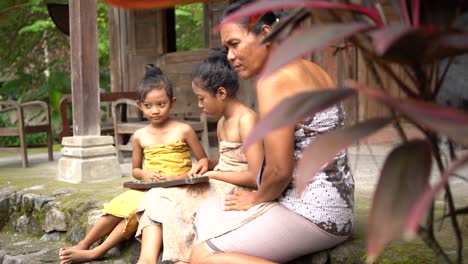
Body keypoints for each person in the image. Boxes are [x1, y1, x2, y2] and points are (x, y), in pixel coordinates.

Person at [190, 1, 354, 263]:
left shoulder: (274, 79)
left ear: (265, 34)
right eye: (226, 48)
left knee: (201, 256)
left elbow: (278, 171)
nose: (230, 56)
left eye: (234, 44)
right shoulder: (313, 69)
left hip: (314, 213)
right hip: (340, 207)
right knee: (211, 214)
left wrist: (257, 197)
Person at [58, 64, 209, 264]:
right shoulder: (139, 136)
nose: (155, 111)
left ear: (172, 102)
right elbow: (136, 170)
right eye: (148, 106)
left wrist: (181, 176)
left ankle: (98, 251)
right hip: (149, 187)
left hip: (178, 186)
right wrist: (145, 175)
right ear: (140, 105)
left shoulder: (184, 130)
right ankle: (85, 244)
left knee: (138, 212)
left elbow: (204, 161)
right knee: (120, 206)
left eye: (161, 104)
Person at [135, 49, 264, 264]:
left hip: (237, 190)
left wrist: (214, 174)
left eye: (201, 98)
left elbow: (256, 176)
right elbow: (229, 160)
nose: (199, 105)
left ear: (221, 93)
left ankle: (183, 259)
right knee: (156, 196)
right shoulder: (223, 122)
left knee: (181, 207)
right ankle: (147, 260)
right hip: (219, 181)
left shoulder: (246, 120)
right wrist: (207, 163)